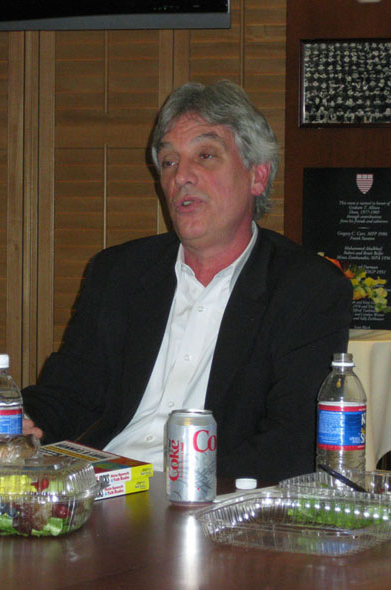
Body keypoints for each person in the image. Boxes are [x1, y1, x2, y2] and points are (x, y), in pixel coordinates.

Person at [22, 80, 352, 481]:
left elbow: (292, 441)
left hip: (213, 496)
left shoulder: (308, 288)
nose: (181, 177)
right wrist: (22, 421)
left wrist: (182, 486)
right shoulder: (118, 273)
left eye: (205, 155)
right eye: (169, 162)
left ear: (257, 176)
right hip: (101, 490)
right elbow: (68, 393)